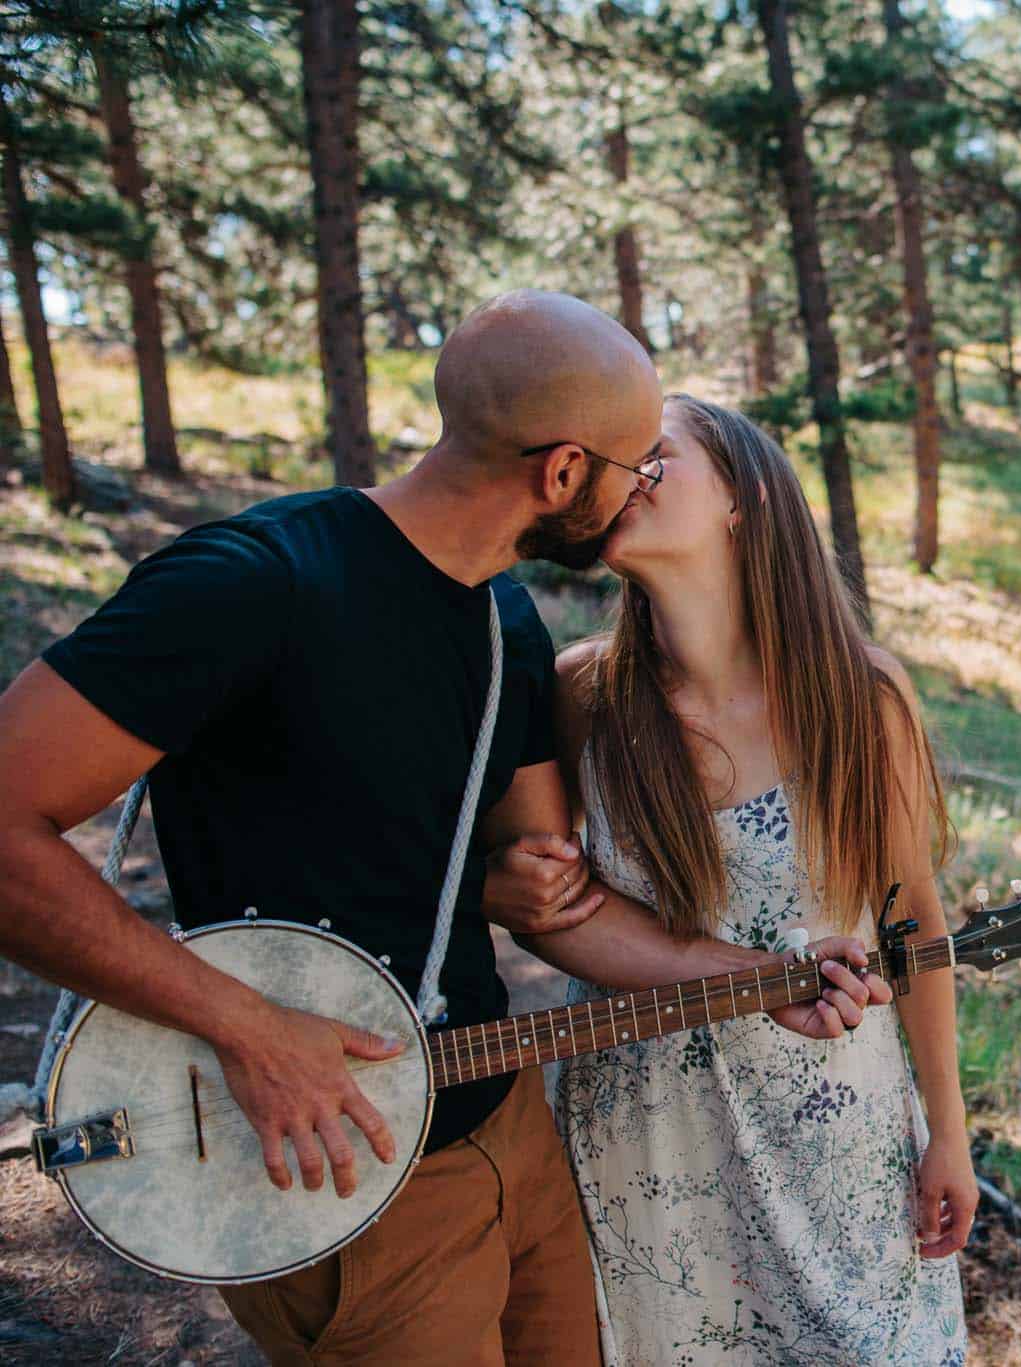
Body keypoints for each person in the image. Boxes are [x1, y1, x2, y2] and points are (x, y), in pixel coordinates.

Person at [0, 292, 890, 1366]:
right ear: (563, 473)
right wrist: (246, 1023)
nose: (641, 486)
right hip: (335, 1159)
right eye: (634, 463)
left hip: (507, 1120)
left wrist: (758, 972)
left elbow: (560, 905)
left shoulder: (502, 618)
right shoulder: (251, 583)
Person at [484, 393, 975, 1364]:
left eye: (655, 458)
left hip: (832, 1115)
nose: (627, 479)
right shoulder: (583, 693)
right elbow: (545, 900)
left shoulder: (855, 696)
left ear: (743, 495)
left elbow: (911, 918)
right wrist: (505, 890)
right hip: (644, 1124)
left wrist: (948, 1131)